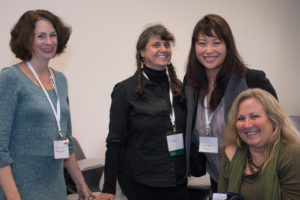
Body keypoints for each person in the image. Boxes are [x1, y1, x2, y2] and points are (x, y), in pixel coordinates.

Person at [0, 10, 95, 200]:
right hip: (20, 189)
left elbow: (65, 139)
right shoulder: (10, 78)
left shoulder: (60, 80)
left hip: (55, 189)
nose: (49, 42)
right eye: (41, 36)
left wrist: (81, 184)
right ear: (26, 40)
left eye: (53, 35)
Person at [184, 14, 277, 192]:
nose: (208, 50)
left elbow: (277, 127)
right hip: (217, 177)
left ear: (228, 45)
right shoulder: (191, 84)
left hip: (255, 179)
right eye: (202, 43)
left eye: (216, 42)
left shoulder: (251, 80)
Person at [95, 24, 187, 200]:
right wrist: (108, 188)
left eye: (167, 45)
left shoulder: (180, 89)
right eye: (156, 45)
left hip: (177, 180)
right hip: (142, 183)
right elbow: (115, 140)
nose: (163, 49)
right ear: (142, 52)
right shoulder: (125, 90)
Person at [218, 88, 300, 199]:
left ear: (274, 120)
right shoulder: (231, 152)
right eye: (241, 118)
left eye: (255, 116)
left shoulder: (292, 154)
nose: (247, 125)